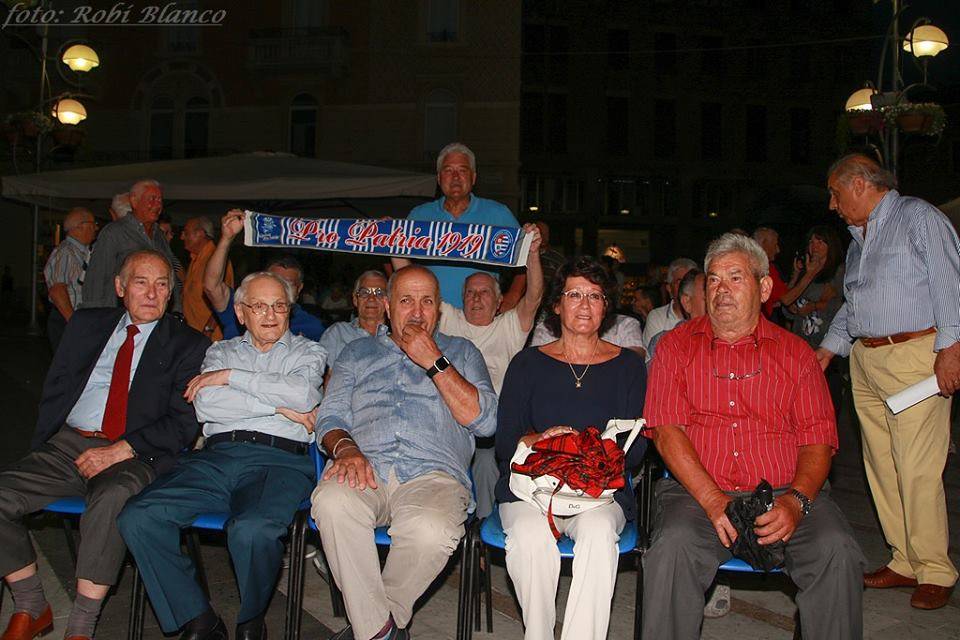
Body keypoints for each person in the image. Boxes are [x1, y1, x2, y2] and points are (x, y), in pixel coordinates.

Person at [641, 233, 865, 639]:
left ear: (764, 288)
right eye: (713, 279)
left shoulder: (796, 354)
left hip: (787, 491)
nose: (721, 289)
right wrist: (713, 501)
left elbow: (818, 438)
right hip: (698, 495)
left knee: (837, 551)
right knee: (671, 549)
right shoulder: (674, 347)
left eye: (735, 277)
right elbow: (666, 431)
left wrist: (796, 502)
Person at [0, 250, 208, 640]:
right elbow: (58, 385)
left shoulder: (188, 344)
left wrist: (122, 448)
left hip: (135, 452)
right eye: (141, 282)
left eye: (162, 284)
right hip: (69, 444)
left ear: (170, 294)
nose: (151, 293)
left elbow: (183, 423)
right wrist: (48, 440)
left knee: (112, 496)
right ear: (119, 288)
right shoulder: (86, 325)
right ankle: (31, 605)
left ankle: (81, 626)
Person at [118, 271, 326, 640]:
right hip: (216, 457)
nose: (270, 314)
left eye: (279, 306)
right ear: (240, 313)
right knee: (139, 516)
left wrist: (233, 378)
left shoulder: (309, 351)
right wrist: (280, 409)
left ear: (289, 312)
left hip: (279, 461)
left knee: (252, 529)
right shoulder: (219, 350)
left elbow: (303, 396)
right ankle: (199, 619)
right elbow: (206, 405)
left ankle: (251, 621)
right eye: (258, 306)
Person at [311, 265, 497, 640]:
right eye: (406, 300)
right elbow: (329, 416)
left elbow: (486, 421)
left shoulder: (460, 351)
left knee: (431, 530)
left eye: (426, 301)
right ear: (388, 307)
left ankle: (371, 628)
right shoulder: (356, 352)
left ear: (438, 310)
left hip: (435, 475)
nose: (416, 311)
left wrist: (435, 361)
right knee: (331, 502)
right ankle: (384, 632)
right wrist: (346, 448)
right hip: (365, 466)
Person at [817, 153, 960, 610]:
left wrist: (951, 349)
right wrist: (825, 351)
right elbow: (854, 304)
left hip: (917, 355)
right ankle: (904, 561)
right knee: (882, 466)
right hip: (867, 358)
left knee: (917, 467)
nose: (833, 206)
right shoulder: (860, 239)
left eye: (836, 194)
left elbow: (950, 285)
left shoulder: (918, 217)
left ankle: (935, 569)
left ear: (860, 184)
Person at [494, 256, 646, 640]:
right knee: (530, 538)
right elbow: (503, 443)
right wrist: (536, 440)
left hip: (600, 490)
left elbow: (637, 450)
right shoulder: (527, 364)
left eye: (594, 296)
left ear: (606, 308)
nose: (584, 304)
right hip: (533, 488)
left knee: (597, 535)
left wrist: (590, 450)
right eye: (574, 294)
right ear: (557, 304)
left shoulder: (628, 366)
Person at [439, 223, 543, 518]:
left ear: (499, 302)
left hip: (492, 427)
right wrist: (393, 243)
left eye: (485, 293)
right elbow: (410, 286)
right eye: (470, 292)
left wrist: (532, 252)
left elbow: (534, 296)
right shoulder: (448, 319)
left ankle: (482, 535)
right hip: (447, 422)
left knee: (485, 465)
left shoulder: (509, 326)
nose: (476, 298)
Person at [392, 142, 520, 308]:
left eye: (462, 170)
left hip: (481, 317)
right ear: (439, 178)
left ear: (473, 177)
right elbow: (393, 254)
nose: (455, 177)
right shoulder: (419, 216)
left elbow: (526, 258)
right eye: (448, 170)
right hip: (431, 316)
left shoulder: (498, 214)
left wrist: (514, 295)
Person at [204, 209, 325, 341]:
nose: (281, 288)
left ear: (299, 289)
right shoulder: (244, 307)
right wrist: (226, 239)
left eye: (289, 284)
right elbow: (212, 286)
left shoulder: (311, 327)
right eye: (275, 281)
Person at [82, 180, 180, 310]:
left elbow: (170, 274)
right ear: (134, 201)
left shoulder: (159, 235)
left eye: (160, 200)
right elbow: (96, 279)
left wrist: (177, 310)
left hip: (154, 314)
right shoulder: (114, 232)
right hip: (120, 316)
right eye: (152, 199)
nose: (157, 205)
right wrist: (94, 317)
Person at [318, 269, 389, 385]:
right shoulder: (338, 333)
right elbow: (325, 378)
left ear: (389, 301)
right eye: (364, 292)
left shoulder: (397, 338)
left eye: (380, 293)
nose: (371, 298)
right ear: (355, 300)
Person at [43, 207, 97, 351]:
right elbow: (57, 290)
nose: (95, 228)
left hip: (75, 318)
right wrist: (73, 322)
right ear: (80, 227)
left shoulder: (82, 251)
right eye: (92, 224)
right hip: (67, 318)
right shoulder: (66, 252)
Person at [181, 216, 233, 340]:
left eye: (186, 233)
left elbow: (223, 298)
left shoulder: (216, 260)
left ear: (200, 234)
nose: (182, 237)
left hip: (210, 337)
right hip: (193, 334)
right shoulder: (195, 260)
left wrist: (209, 328)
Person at [641, 257, 697, 351]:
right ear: (669, 288)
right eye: (680, 282)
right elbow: (653, 359)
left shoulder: (709, 316)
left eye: (690, 282)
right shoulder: (657, 317)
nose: (686, 287)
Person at [752, 226, 787, 318]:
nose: (778, 250)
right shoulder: (765, 268)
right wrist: (811, 273)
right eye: (775, 245)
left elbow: (783, 294)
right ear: (764, 244)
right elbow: (787, 299)